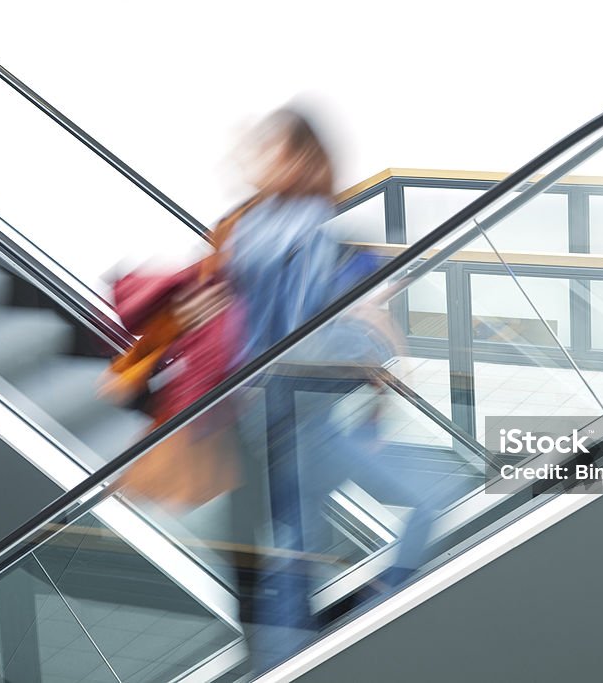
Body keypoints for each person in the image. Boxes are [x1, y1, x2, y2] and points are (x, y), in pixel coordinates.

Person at [174, 106, 443, 672]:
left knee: (295, 553)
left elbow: (278, 327)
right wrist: (366, 328)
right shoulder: (287, 232)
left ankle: (314, 649)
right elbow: (302, 336)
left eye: (268, 148)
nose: (255, 157)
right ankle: (362, 625)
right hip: (289, 414)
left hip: (277, 413)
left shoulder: (260, 231)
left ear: (299, 157)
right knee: (329, 541)